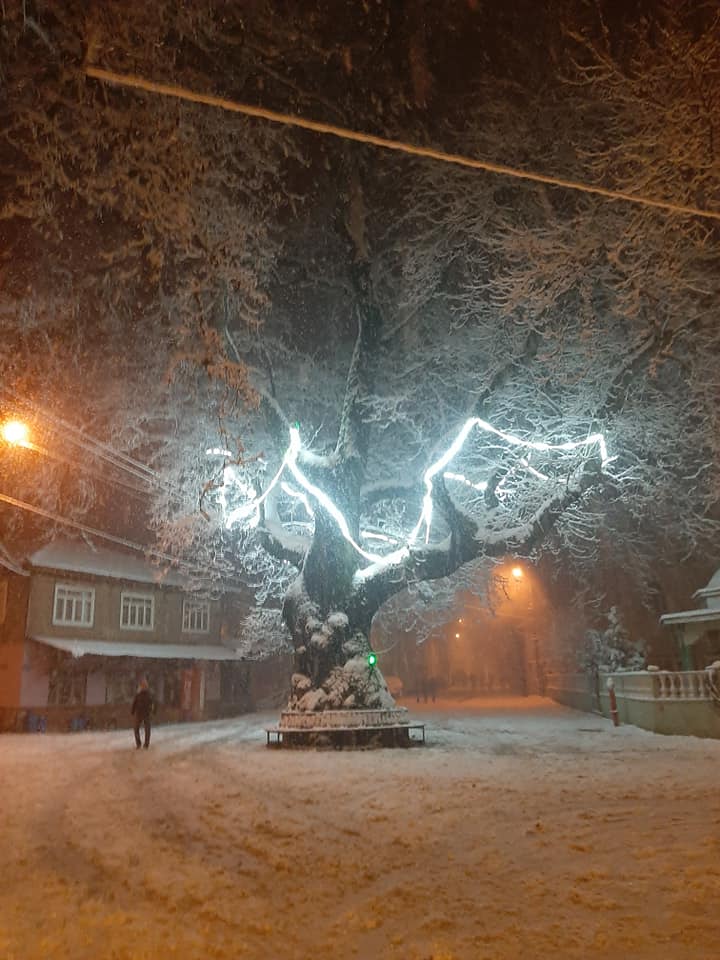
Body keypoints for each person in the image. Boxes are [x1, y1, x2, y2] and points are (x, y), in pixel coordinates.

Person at [131, 678, 154, 749]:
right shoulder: (138, 694)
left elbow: (153, 703)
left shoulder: (149, 694)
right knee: (136, 729)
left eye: (145, 685)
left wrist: (153, 711)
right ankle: (139, 744)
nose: (143, 686)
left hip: (146, 713)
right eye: (142, 685)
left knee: (147, 729)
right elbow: (134, 703)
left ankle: (146, 744)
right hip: (139, 713)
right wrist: (132, 710)